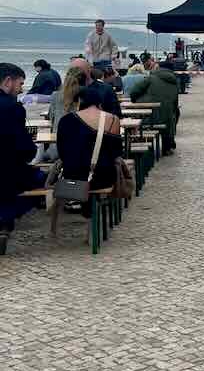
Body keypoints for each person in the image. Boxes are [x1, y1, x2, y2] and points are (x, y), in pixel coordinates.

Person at [56, 85, 123, 218]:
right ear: (99, 102)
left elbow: (62, 152)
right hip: (102, 176)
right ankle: (93, 206)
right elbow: (116, 152)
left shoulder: (65, 120)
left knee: (81, 167)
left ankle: (83, 203)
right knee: (105, 166)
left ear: (79, 101)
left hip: (73, 177)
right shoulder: (112, 119)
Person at [0, 63, 45, 249]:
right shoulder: (13, 108)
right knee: (41, 179)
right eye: (20, 84)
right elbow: (24, 148)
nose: (21, 89)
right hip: (8, 171)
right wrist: (31, 151)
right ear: (8, 81)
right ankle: (5, 219)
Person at [128, 59, 180, 153]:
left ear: (159, 67)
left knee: (138, 121)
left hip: (149, 116)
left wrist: (134, 101)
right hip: (167, 118)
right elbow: (175, 102)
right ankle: (168, 146)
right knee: (173, 115)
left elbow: (135, 91)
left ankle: (142, 147)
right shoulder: (175, 82)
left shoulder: (151, 78)